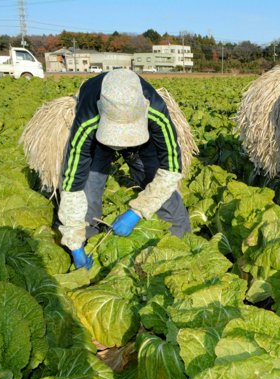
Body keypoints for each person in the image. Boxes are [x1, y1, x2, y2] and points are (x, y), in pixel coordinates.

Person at [58, 68, 190, 269]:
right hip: (98, 141)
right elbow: (72, 184)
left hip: (142, 141)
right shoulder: (87, 120)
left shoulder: (156, 111)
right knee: (88, 194)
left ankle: (182, 252)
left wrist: (137, 212)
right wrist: (74, 244)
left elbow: (171, 169)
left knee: (168, 201)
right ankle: (87, 254)